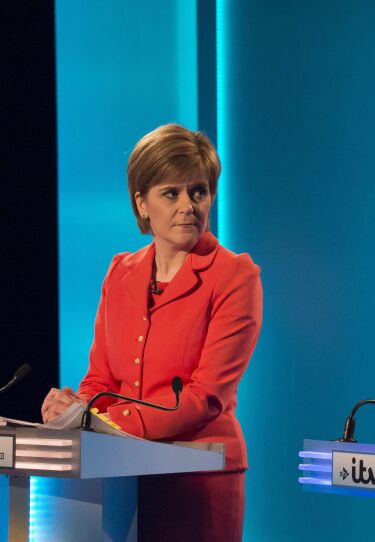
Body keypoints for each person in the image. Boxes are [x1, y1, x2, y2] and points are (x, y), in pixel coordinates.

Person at [41, 124, 263, 541]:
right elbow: (101, 380)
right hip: (118, 477)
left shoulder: (235, 276)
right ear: (142, 204)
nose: (188, 206)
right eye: (171, 193)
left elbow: (205, 396)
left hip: (199, 477)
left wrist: (99, 421)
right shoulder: (119, 273)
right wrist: (74, 411)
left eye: (199, 191)